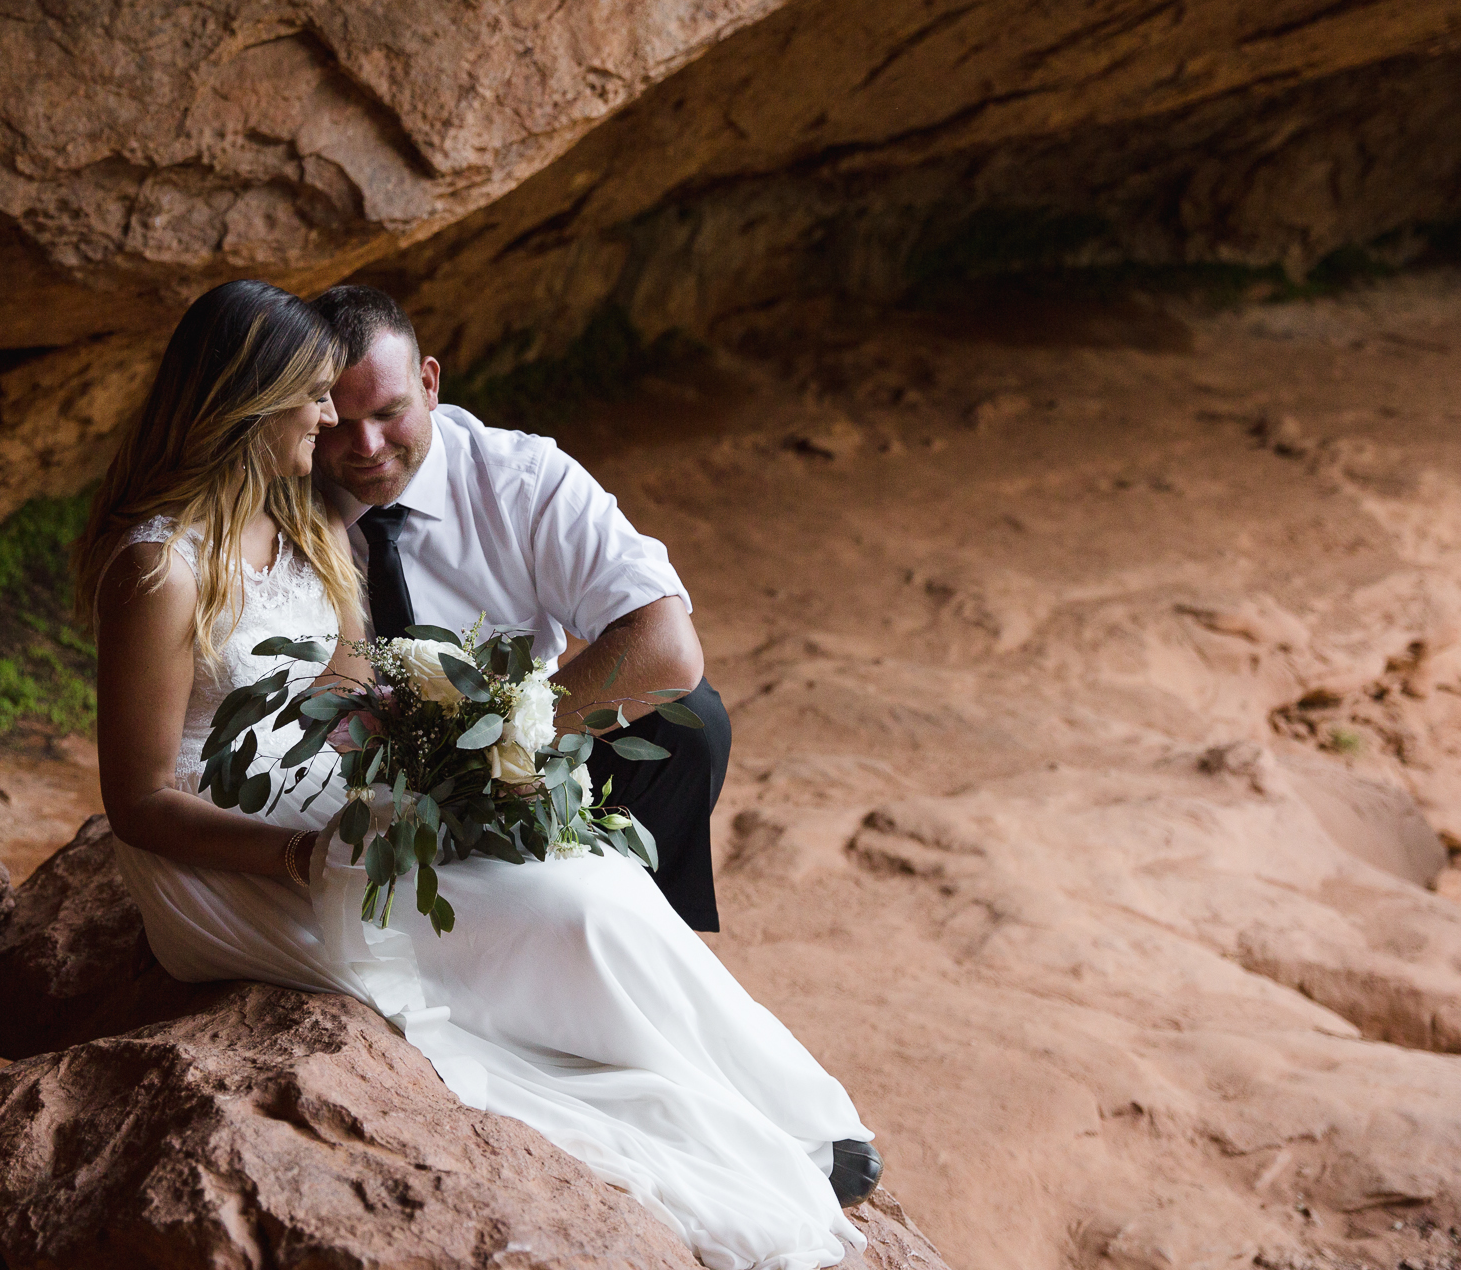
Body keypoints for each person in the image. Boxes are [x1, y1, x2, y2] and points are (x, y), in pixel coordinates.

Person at [76, 278, 882, 1270]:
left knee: (594, 883)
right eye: (317, 399)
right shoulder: (158, 569)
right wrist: (303, 857)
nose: (336, 424)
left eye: (360, 402)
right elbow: (138, 802)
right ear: (251, 406)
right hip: (231, 855)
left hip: (334, 798)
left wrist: (451, 747)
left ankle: (799, 1114)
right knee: (553, 915)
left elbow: (341, 686)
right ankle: (745, 1130)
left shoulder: (304, 514)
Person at [307, 285, 730, 933]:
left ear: (429, 383)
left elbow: (667, 646)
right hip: (346, 778)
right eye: (340, 420)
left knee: (689, 723)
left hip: (530, 760)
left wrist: (484, 757)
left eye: (389, 411)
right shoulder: (283, 495)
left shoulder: (523, 478)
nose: (367, 445)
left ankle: (652, 937)